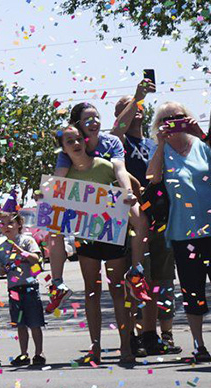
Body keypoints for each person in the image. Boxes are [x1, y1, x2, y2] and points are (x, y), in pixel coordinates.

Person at [45, 102, 150, 313]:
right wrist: (46, 195)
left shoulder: (111, 142)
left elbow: (120, 169)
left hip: (113, 199)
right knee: (52, 227)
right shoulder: (70, 146)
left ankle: (136, 273)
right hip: (86, 205)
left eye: (96, 118)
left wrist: (127, 191)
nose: (94, 123)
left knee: (140, 220)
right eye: (87, 120)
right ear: (77, 125)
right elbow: (59, 177)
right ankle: (57, 283)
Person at [55, 126, 138, 365]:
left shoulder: (105, 165)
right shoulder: (65, 174)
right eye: (70, 141)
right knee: (91, 291)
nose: (76, 144)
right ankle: (95, 348)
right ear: (64, 148)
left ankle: (126, 346)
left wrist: (127, 198)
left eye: (78, 139)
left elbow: (125, 191)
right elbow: (55, 201)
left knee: (117, 291)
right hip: (85, 237)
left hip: (112, 235)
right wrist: (45, 198)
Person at [111, 80, 181, 356]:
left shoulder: (154, 143)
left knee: (159, 280)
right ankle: (137, 333)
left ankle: (158, 335)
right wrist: (137, 98)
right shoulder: (118, 144)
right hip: (133, 219)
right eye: (124, 107)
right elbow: (117, 128)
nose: (134, 109)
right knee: (138, 277)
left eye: (138, 106)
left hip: (161, 219)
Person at [146, 102, 211, 363]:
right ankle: (199, 345)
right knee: (192, 291)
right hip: (183, 234)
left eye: (179, 116)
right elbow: (152, 177)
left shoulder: (202, 145)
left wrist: (201, 135)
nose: (174, 121)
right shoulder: (161, 151)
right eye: (167, 119)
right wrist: (162, 144)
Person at [0, 207, 46, 367]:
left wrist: (21, 252)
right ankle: (24, 353)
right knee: (20, 324)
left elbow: (36, 260)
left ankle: (39, 353)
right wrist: (2, 269)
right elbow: (2, 268)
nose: (6, 226)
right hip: (14, 289)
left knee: (35, 323)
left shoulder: (27, 240)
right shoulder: (2, 247)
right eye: (2, 224)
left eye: (10, 223)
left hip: (29, 287)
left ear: (19, 224)